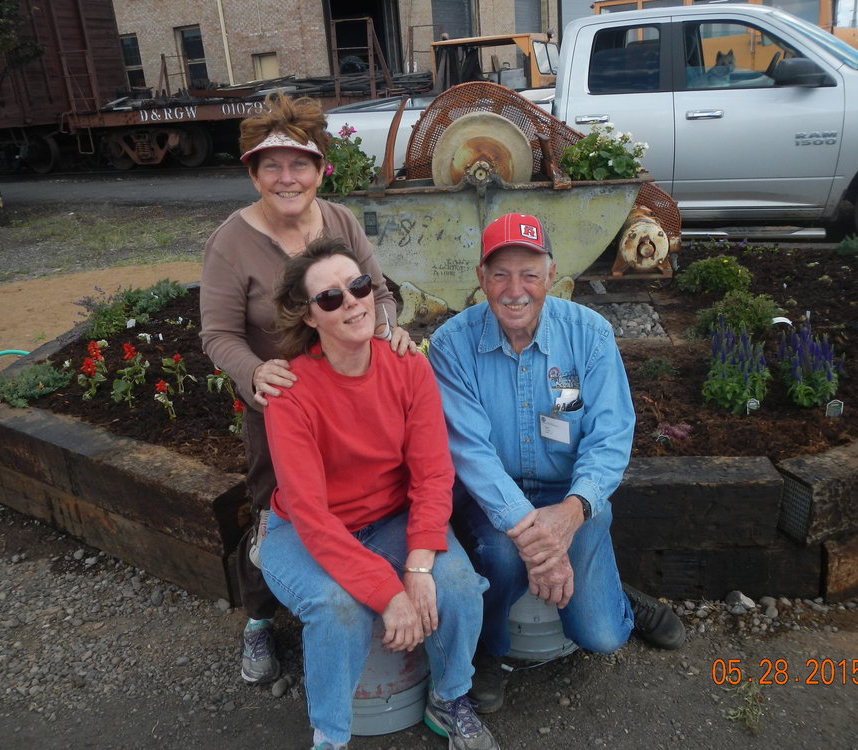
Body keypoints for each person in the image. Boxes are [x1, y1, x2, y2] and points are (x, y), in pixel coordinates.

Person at [198, 93, 416, 686]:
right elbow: (217, 334)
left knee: (357, 499)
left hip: (352, 401)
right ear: (253, 174)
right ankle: (260, 620)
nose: (287, 178)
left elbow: (381, 293)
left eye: (300, 164)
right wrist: (252, 371)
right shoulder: (232, 243)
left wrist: (390, 329)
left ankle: (350, 592)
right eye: (272, 166)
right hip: (281, 406)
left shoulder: (340, 222)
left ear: (322, 170)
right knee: (277, 515)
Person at [428, 213, 685, 714]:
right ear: (481, 278)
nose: (514, 289)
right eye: (500, 274)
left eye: (529, 273)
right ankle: (488, 648)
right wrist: (531, 533)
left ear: (551, 275)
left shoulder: (589, 334)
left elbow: (609, 436)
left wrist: (568, 515)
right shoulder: (452, 345)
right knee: (500, 556)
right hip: (494, 501)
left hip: (571, 496)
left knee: (604, 637)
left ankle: (620, 598)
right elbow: (470, 451)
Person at [260, 237, 498, 750]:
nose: (351, 302)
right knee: (336, 606)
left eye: (359, 285)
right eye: (330, 298)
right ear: (308, 317)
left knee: (455, 585)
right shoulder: (291, 392)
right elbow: (309, 512)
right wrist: (388, 593)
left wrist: (416, 566)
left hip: (389, 519)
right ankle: (331, 736)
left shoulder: (408, 366)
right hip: (305, 532)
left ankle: (450, 698)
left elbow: (433, 475)